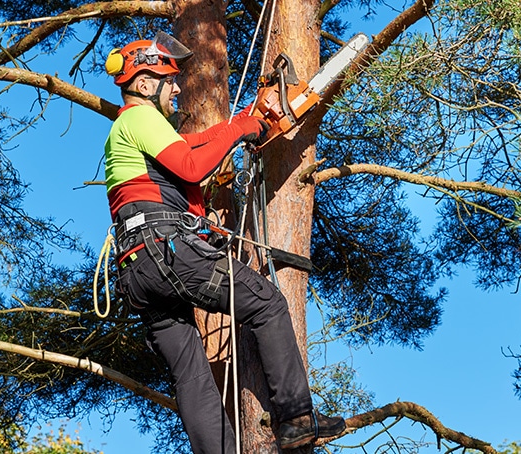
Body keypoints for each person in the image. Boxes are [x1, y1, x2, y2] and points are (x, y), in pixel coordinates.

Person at [102, 31, 346, 454]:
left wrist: (241, 124)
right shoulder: (138, 117)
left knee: (191, 373)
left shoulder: (133, 132)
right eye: (169, 80)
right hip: (166, 251)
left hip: (137, 269)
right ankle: (296, 419)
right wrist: (240, 130)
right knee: (267, 303)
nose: (177, 88)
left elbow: (192, 146)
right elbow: (193, 165)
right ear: (143, 85)